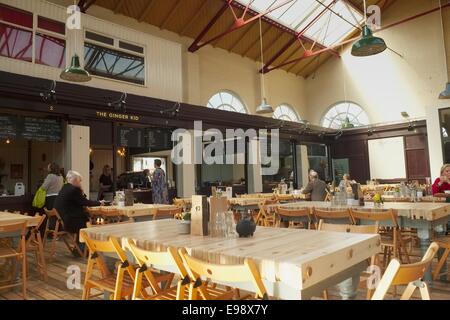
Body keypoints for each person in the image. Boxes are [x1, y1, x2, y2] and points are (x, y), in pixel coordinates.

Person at [54, 170, 103, 256]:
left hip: (61, 221)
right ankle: (84, 250)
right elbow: (85, 202)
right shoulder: (73, 189)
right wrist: (100, 203)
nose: (80, 183)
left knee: (86, 219)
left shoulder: (65, 188)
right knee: (88, 224)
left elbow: (80, 200)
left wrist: (81, 191)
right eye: (79, 181)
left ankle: (79, 249)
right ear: (75, 180)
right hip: (70, 222)